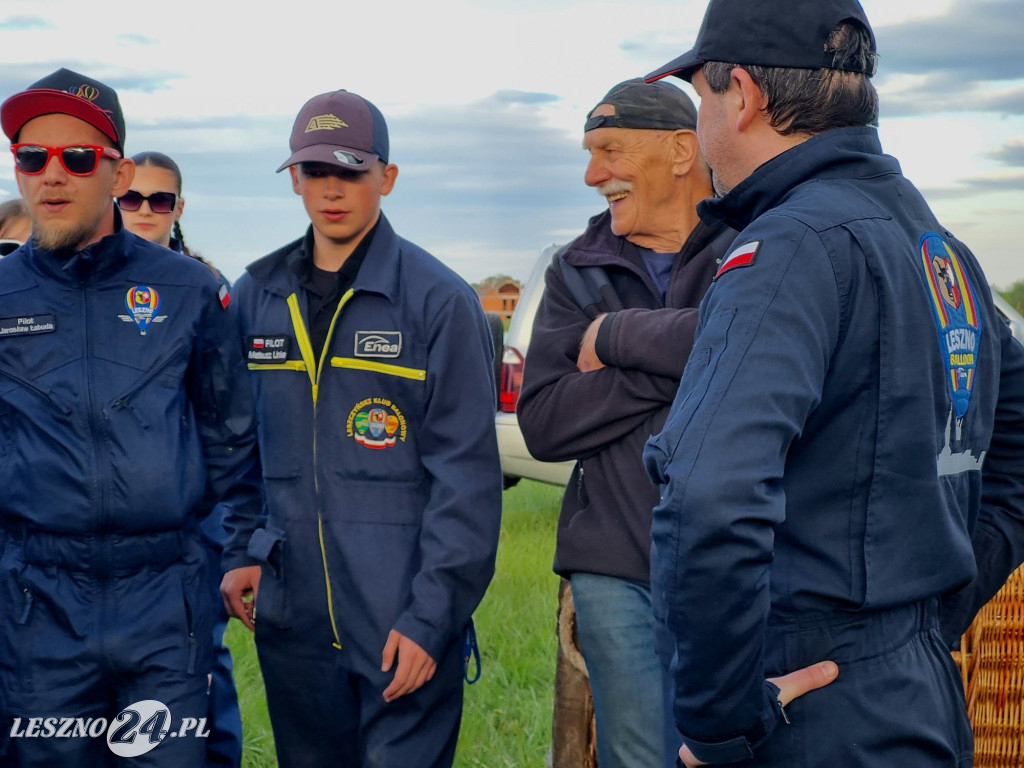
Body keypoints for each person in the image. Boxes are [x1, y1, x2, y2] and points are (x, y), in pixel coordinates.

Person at [640, 0, 1024, 765]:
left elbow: (710, 495)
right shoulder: (939, 249)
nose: (704, 127)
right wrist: (928, 616)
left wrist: (718, 725)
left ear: (742, 95)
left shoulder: (790, 247)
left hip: (809, 705)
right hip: (915, 691)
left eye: (701, 99)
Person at [220, 88, 502, 768]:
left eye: (352, 170)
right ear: (294, 178)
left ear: (388, 177)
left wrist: (430, 619)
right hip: (294, 626)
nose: (333, 189)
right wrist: (239, 549)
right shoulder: (258, 296)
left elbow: (466, 478)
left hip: (400, 623)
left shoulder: (439, 302)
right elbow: (233, 446)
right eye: (317, 172)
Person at [0, 68, 261, 767]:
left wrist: (239, 554)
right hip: (36, 605)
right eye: (32, 158)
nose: (51, 176)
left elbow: (233, 440)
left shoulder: (192, 290)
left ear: (115, 174)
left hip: (164, 600)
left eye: (76, 158)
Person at [516, 78, 734, 768]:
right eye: (589, 153)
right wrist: (685, 354)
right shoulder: (575, 271)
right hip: (614, 564)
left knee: (736, 750)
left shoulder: (757, 242)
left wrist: (611, 338)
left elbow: (769, 352)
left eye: (609, 150)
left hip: (738, 559)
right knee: (639, 756)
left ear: (679, 150)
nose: (592, 174)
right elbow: (546, 423)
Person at [120, 149, 244, 768]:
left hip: (197, 511)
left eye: (160, 200)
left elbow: (233, 419)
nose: (146, 211)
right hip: (115, 518)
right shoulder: (86, 282)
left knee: (204, 659)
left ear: (179, 207)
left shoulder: (206, 287)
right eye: (133, 198)